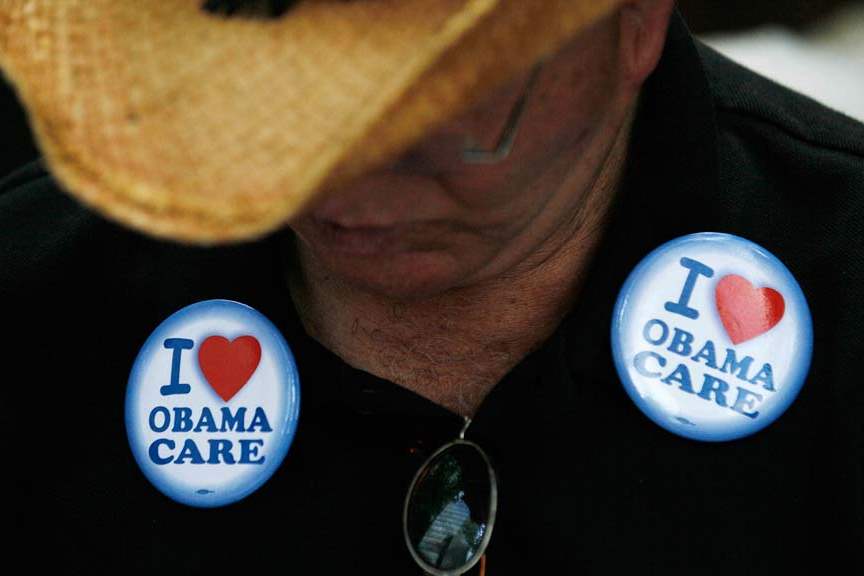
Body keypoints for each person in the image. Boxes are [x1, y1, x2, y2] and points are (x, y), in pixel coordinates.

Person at [3, 0, 862, 573]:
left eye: (444, 99)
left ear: (632, 21)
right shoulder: (32, 295)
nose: (338, 183)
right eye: (274, 104)